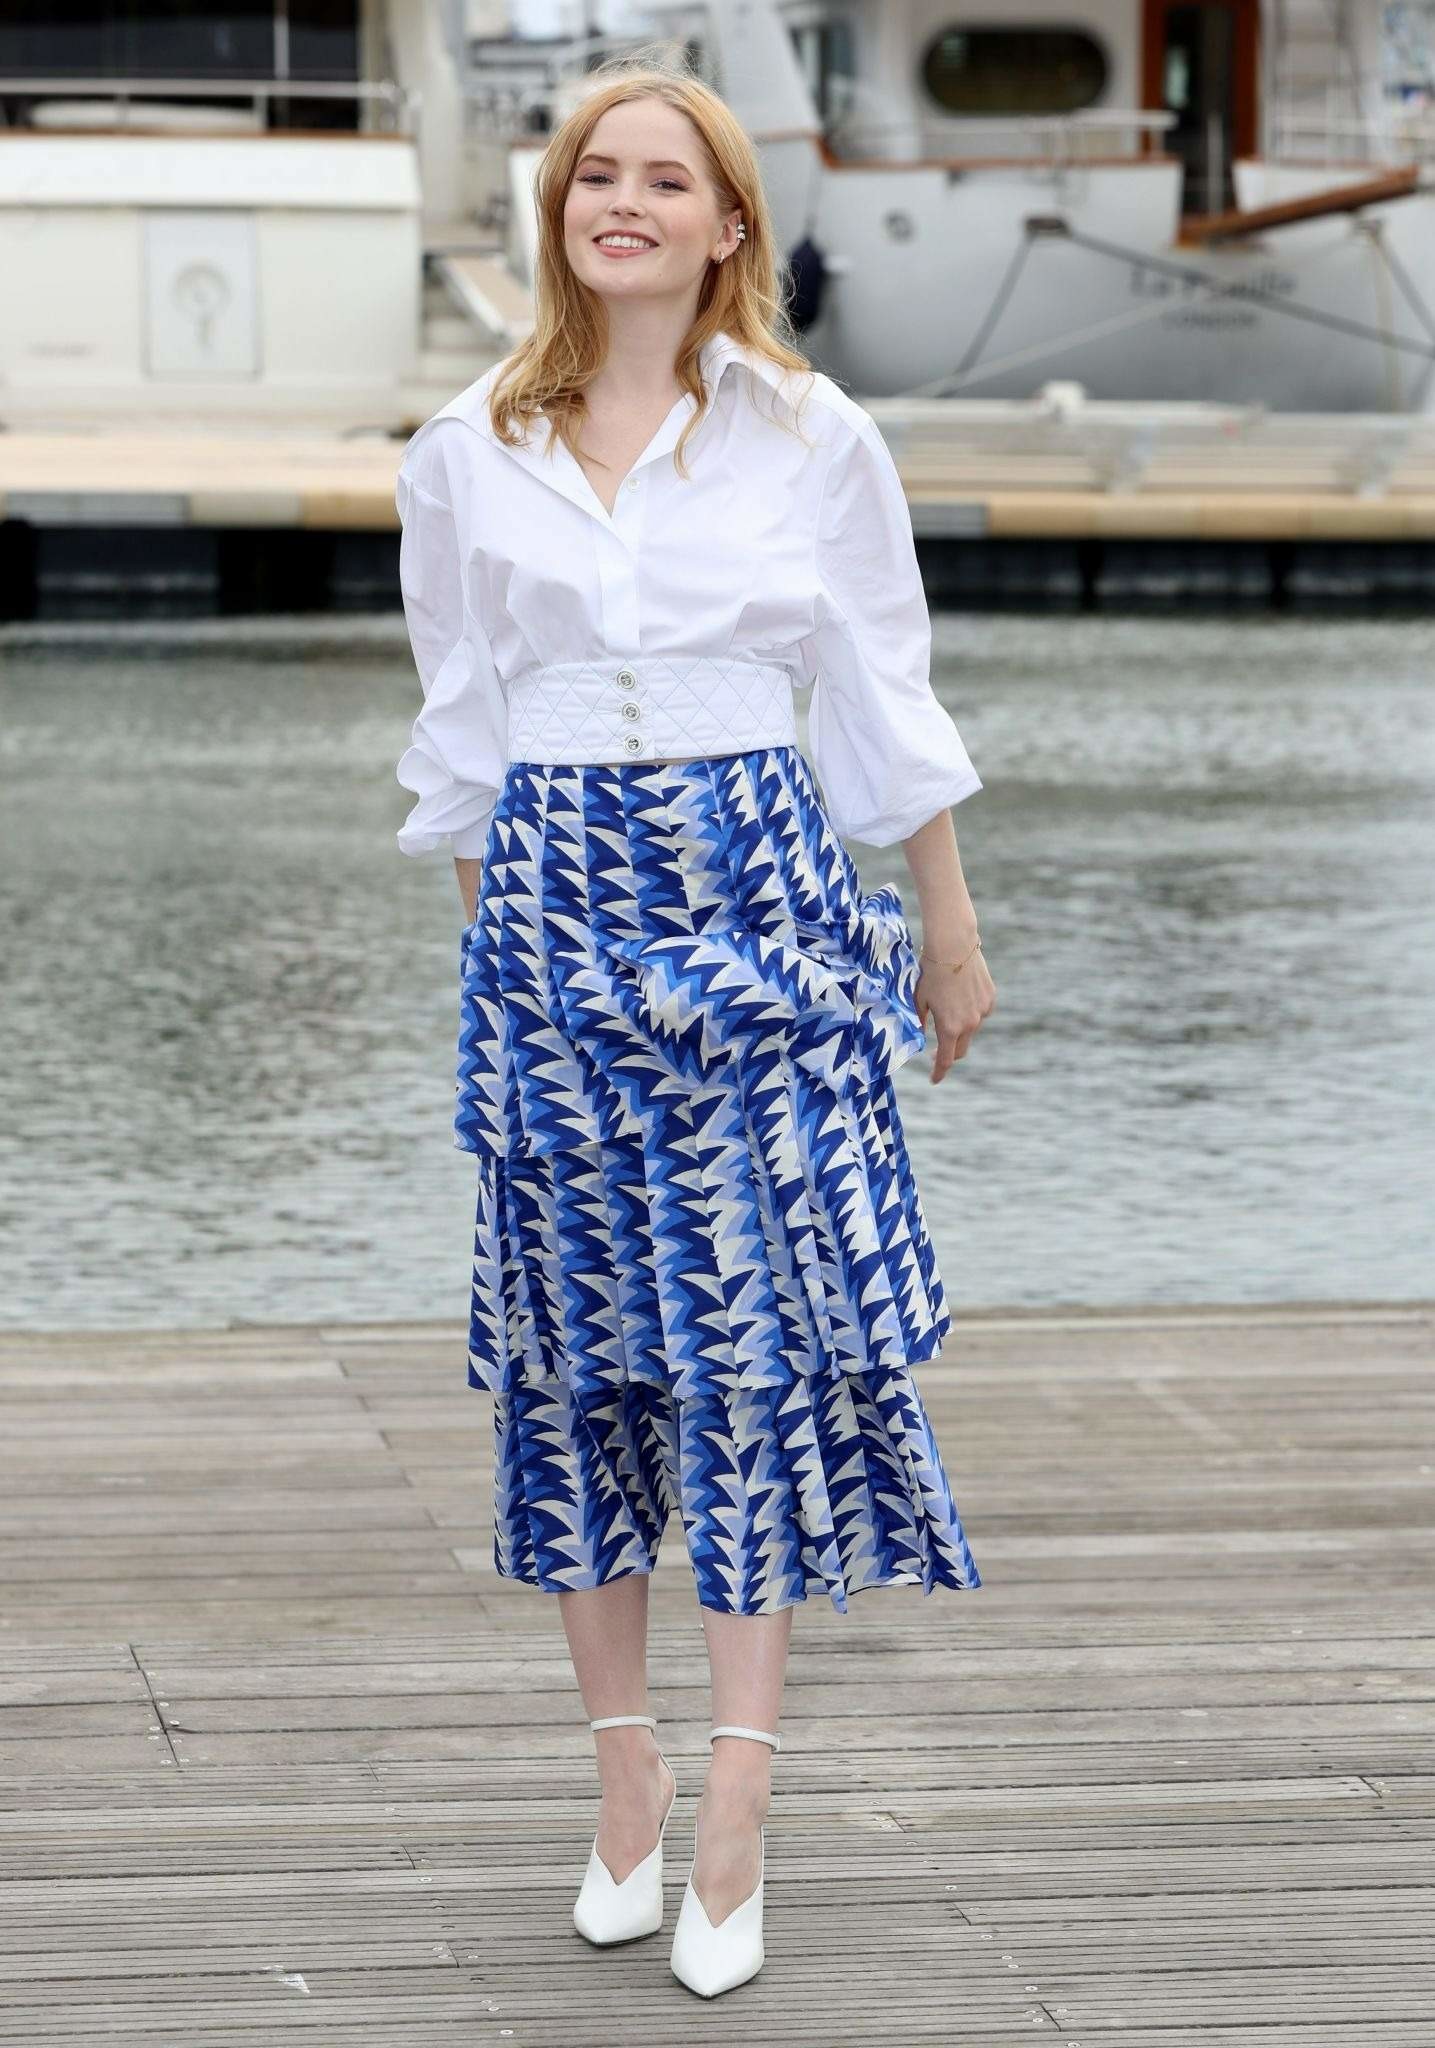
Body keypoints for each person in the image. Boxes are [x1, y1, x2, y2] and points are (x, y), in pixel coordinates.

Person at [393, 54, 995, 2001]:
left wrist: (946, 928)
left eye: (666, 178)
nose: (624, 202)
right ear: (558, 209)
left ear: (731, 222)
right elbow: (463, 735)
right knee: (576, 1363)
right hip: (554, 913)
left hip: (759, 898)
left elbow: (880, 689)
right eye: (596, 173)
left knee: (749, 1348)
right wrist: (498, 978)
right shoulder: (465, 447)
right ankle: (624, 1783)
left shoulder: (812, 434)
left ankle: (737, 1801)